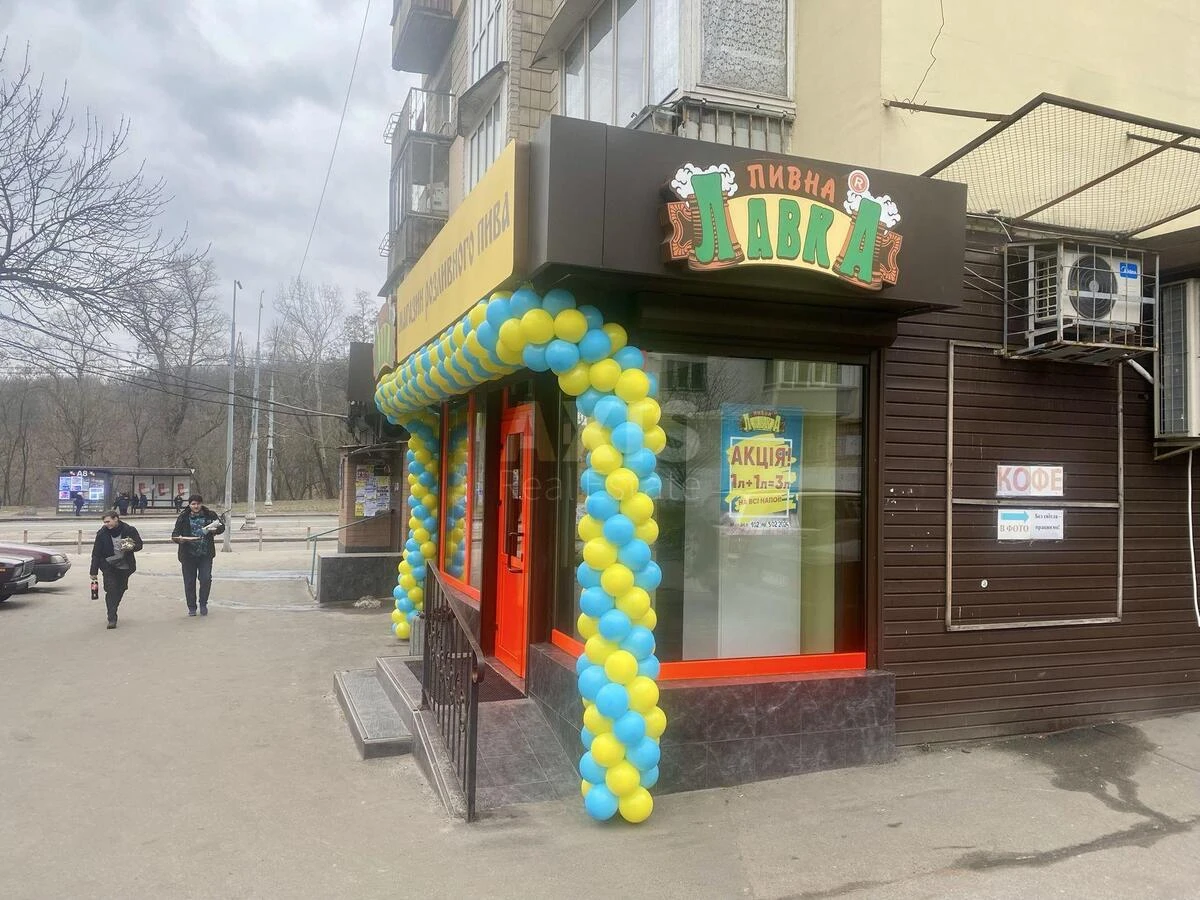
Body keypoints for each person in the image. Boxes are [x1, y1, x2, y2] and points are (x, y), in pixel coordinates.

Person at [171, 494, 225, 617]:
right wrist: (179, 539)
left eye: (198, 504)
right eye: (193, 504)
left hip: (205, 554)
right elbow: (175, 533)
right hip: (188, 555)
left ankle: (203, 604)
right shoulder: (183, 517)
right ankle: (192, 607)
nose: (196, 506)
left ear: (201, 504)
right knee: (189, 582)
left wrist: (215, 530)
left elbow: (221, 527)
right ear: (189, 505)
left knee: (205, 579)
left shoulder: (210, 515)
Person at [89, 510, 143, 629]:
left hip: (125, 565)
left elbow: (139, 545)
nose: (106, 524)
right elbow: (96, 553)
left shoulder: (129, 530)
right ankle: (112, 617)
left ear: (116, 519)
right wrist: (93, 571)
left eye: (108, 521)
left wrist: (130, 546)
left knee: (121, 588)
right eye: (105, 522)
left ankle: (114, 607)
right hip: (108, 566)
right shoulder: (102, 533)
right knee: (111, 590)